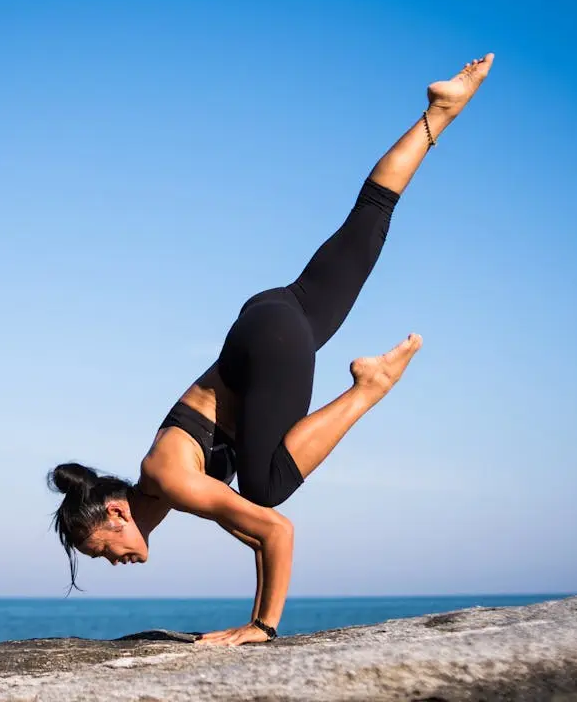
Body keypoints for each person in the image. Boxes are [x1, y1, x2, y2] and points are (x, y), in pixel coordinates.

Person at [47, 54, 495, 646]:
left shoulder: (169, 479)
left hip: (271, 345)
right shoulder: (162, 485)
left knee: (264, 488)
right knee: (368, 222)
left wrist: (261, 626)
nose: (113, 562)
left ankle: (368, 387)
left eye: (103, 551)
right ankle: (441, 112)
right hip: (271, 318)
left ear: (116, 515)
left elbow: (274, 530)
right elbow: (251, 534)